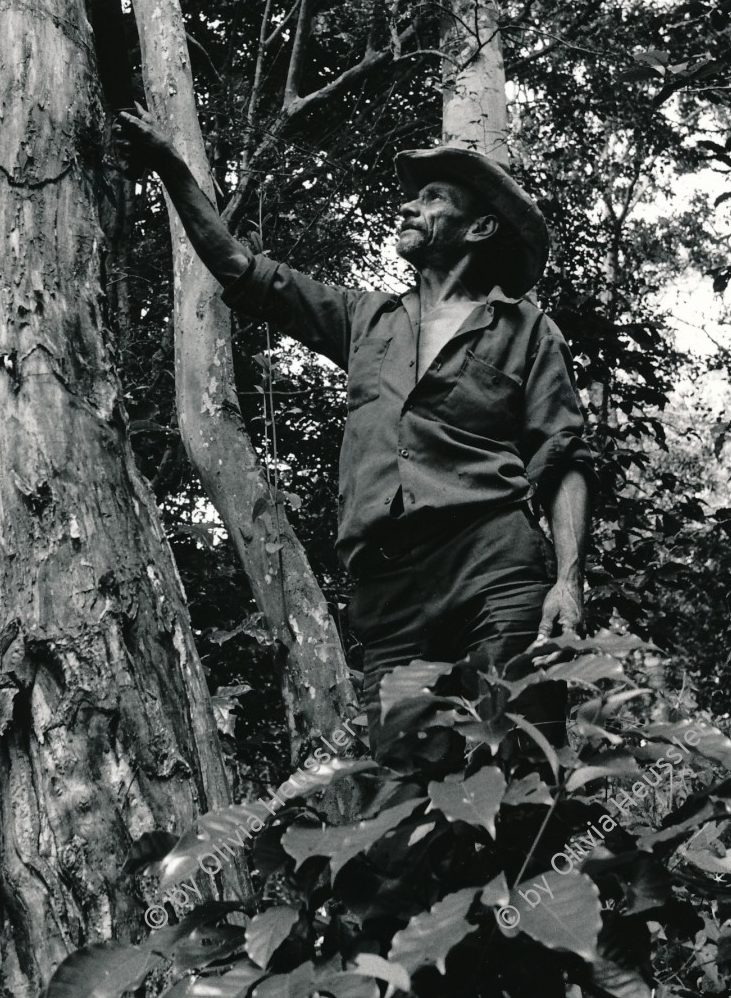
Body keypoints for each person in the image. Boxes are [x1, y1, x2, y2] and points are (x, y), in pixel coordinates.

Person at [117, 104, 598, 753]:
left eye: (432, 197)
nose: (407, 207)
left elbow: (562, 456)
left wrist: (567, 581)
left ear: (480, 227)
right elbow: (236, 265)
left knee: (519, 751)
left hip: (493, 560)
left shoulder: (526, 329)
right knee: (403, 786)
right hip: (388, 590)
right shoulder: (365, 319)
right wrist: (172, 169)